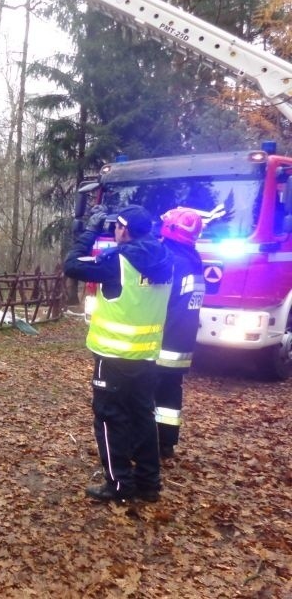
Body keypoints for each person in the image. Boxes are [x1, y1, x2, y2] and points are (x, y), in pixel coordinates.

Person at [64, 205, 173, 503]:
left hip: (112, 356)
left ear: (124, 229)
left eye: (116, 227)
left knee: (110, 418)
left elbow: (71, 264)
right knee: (142, 417)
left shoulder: (118, 261)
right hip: (147, 356)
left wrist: (90, 232)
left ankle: (119, 484)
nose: (114, 231)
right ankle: (149, 483)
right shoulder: (166, 259)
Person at [155, 208, 205, 458]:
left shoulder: (170, 260)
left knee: (150, 391)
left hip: (164, 339)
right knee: (171, 393)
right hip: (183, 341)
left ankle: (146, 442)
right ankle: (166, 442)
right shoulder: (193, 259)